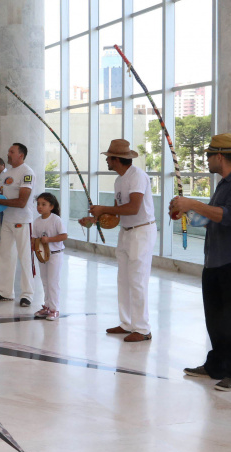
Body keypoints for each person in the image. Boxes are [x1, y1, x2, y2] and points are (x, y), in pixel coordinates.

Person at [170, 134, 231, 391]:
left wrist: (194, 203)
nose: (206, 160)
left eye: (209, 155)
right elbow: (210, 219)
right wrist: (185, 212)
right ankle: (216, 365)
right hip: (215, 260)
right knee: (216, 318)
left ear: (220, 156)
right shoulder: (223, 184)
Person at [79, 139, 156, 343]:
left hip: (142, 231)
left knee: (138, 280)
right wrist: (95, 219)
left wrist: (103, 208)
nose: (107, 162)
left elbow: (133, 208)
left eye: (108, 158)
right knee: (124, 279)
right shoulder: (119, 180)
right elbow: (116, 214)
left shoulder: (137, 176)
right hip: (126, 231)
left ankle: (143, 328)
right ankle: (127, 323)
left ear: (116, 159)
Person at [0, 143, 40, 307]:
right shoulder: (7, 173)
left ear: (21, 155)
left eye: (12, 151)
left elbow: (22, 201)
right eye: (8, 151)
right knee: (5, 256)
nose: (8, 154)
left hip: (22, 221)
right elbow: (2, 195)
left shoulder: (27, 173)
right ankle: (5, 292)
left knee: (25, 258)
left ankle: (27, 294)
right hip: (7, 221)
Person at [32, 192, 67, 321]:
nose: (40, 207)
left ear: (51, 206)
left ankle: (54, 308)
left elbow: (64, 236)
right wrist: (34, 246)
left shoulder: (56, 219)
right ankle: (46, 306)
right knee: (45, 281)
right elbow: (34, 238)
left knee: (53, 282)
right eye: (38, 204)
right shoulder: (37, 221)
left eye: (44, 204)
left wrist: (49, 239)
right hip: (42, 256)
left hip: (55, 255)